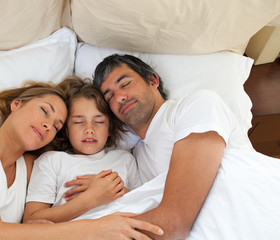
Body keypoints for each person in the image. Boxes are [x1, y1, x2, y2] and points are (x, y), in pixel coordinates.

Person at [0, 79, 164, 240]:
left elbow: (33, 225)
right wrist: (94, 228)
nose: (49, 125)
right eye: (44, 111)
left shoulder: (29, 167)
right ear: (17, 104)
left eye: (57, 126)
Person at [77, 53, 280, 240]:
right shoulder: (135, 158)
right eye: (109, 96)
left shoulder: (195, 104)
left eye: (126, 84)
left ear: (152, 80)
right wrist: (103, 193)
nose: (119, 97)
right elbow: (144, 204)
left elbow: (172, 223)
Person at [23, 76, 142, 223]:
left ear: (110, 128)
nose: (89, 130)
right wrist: (91, 198)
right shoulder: (51, 161)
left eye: (98, 121)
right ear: (66, 129)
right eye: (79, 122)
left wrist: (115, 190)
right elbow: (31, 219)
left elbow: (143, 205)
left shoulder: (125, 159)